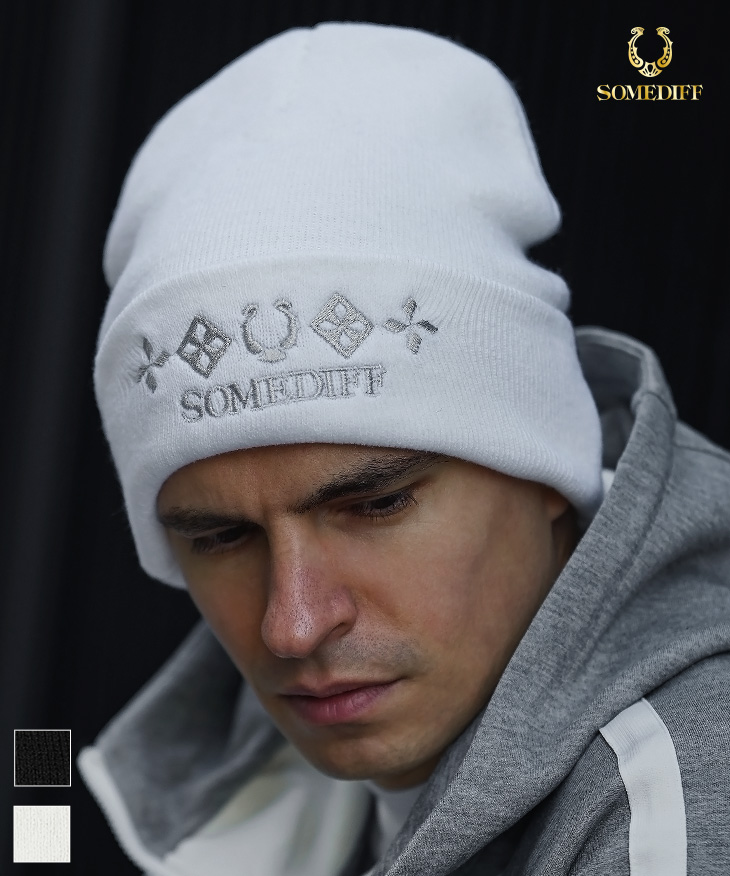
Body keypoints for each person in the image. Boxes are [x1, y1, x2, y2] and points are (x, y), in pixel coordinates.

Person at [78, 21, 730, 876]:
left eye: (377, 503)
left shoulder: (675, 811)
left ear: (550, 470)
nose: (294, 625)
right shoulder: (156, 750)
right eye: (221, 537)